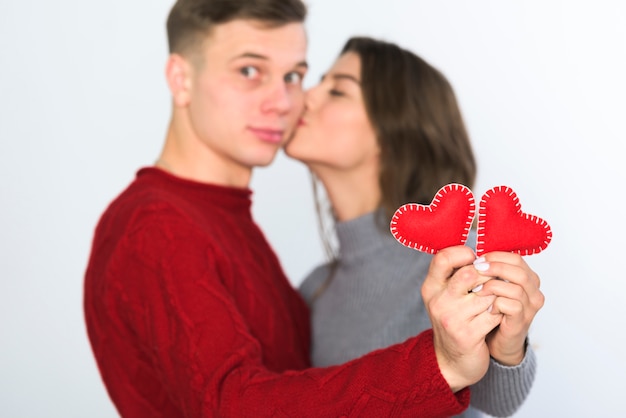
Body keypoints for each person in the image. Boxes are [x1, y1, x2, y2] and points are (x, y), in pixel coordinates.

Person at [84, 1, 515, 417]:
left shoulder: (228, 227)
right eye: (249, 71)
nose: (287, 101)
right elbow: (231, 407)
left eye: (293, 75)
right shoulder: (156, 226)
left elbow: (499, 392)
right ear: (181, 79)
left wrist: (504, 347)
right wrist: (439, 365)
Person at [285, 36, 545, 418]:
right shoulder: (314, 290)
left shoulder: (458, 259)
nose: (306, 96)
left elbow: (497, 401)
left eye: (337, 91)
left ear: (392, 133)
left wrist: (509, 347)